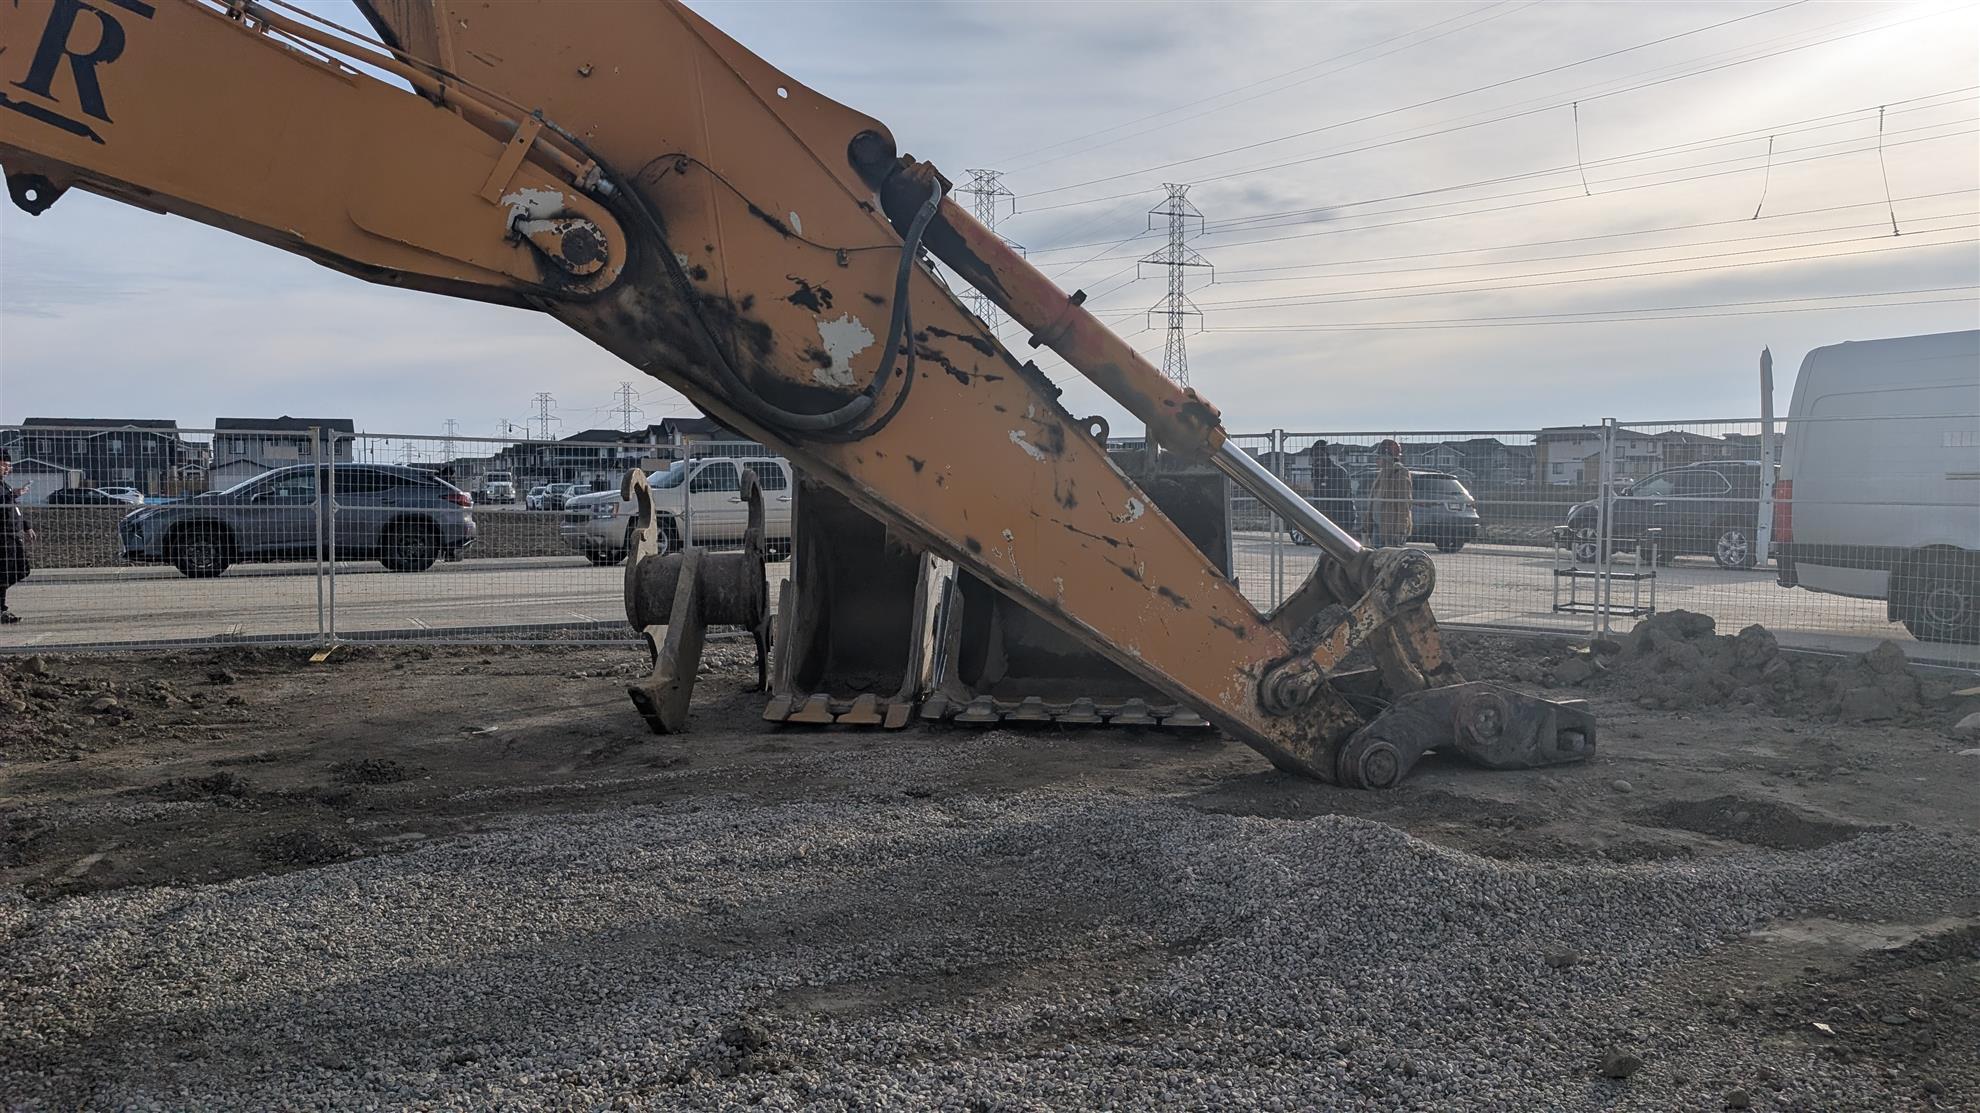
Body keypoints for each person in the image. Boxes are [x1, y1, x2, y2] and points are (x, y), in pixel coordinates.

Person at [0, 450, 36, 624]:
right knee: (4, 573)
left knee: (21, 569)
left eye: (9, 466)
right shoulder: (6, 490)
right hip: (2, 536)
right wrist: (13, 494)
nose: (8, 469)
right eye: (4, 465)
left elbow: (14, 508)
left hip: (13, 535)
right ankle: (2, 610)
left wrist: (26, 526)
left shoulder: (4, 486)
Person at [1368, 438, 1414, 549]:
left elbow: (1404, 504)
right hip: (1378, 526)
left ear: (1387, 457)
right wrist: (1367, 524)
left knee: (1389, 557)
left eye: (1379, 457)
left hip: (1391, 529)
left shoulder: (1400, 474)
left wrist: (1400, 530)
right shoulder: (1382, 474)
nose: (1376, 460)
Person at [1305, 440, 1358, 534]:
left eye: (1319, 455)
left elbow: (1339, 496)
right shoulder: (1317, 473)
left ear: (1326, 455)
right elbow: (1318, 497)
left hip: (1341, 518)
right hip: (1324, 518)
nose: (1317, 459)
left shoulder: (1338, 472)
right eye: (1314, 456)